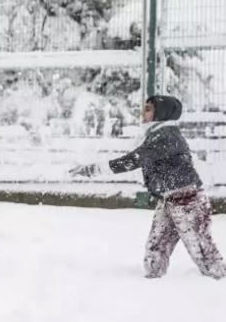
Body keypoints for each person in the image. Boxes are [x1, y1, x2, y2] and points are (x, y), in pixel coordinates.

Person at [69, 95, 226, 279]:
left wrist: (93, 169)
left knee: (203, 252)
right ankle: (151, 287)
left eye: (149, 109)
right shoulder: (157, 135)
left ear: (161, 113)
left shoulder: (167, 136)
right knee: (156, 248)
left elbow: (133, 160)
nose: (143, 113)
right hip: (169, 199)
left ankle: (219, 284)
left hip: (188, 202)